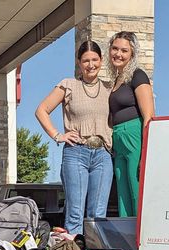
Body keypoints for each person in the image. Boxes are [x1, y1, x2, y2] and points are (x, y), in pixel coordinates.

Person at [35, 41, 113, 235]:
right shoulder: (68, 85)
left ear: (101, 61)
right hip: (76, 152)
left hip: (103, 154)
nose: (91, 64)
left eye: (95, 59)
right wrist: (57, 135)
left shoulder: (109, 87)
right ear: (79, 63)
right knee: (76, 213)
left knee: (98, 214)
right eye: (86, 60)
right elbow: (41, 110)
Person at [108, 31, 155, 217]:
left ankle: (142, 241)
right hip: (118, 139)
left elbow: (149, 115)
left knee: (137, 191)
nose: (118, 54)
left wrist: (146, 152)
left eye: (124, 51)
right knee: (123, 195)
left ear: (132, 54)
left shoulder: (138, 75)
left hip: (134, 134)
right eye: (115, 48)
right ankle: (126, 241)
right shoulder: (117, 80)